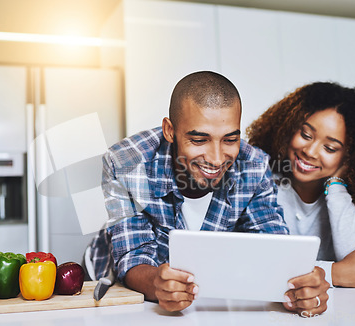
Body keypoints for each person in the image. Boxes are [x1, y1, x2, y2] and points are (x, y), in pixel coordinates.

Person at [86, 71, 329, 315]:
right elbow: (133, 256)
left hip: (205, 302)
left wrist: (301, 288)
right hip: (108, 280)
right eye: (200, 140)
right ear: (170, 131)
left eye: (230, 139)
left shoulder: (253, 166)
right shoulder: (126, 162)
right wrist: (158, 285)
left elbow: (275, 248)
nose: (216, 158)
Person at [246, 82, 355, 288]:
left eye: (329, 148)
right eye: (305, 135)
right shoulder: (260, 183)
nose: (310, 151)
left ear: (350, 157)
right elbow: (254, 264)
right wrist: (335, 273)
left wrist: (336, 185)